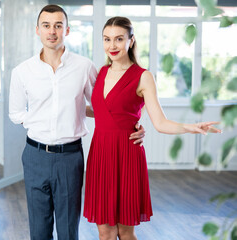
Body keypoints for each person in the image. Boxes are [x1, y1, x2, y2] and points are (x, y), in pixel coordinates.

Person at [9, 5, 144, 240]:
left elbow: (103, 106)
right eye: (47, 25)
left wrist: (129, 126)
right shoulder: (22, 71)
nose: (52, 31)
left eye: (58, 25)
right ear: (37, 30)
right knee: (39, 231)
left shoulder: (84, 67)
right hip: (35, 156)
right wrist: (42, 120)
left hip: (69, 158)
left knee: (68, 230)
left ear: (67, 30)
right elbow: (16, 113)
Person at [83, 16, 221, 240]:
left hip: (126, 156)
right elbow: (101, 111)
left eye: (119, 39)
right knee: (105, 232)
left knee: (125, 232)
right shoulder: (101, 72)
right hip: (100, 155)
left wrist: (191, 127)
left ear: (131, 40)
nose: (112, 45)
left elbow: (161, 122)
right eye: (107, 39)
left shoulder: (143, 76)